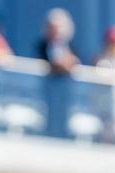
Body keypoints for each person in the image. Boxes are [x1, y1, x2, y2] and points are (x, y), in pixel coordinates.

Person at [36, 7, 78, 138]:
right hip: (46, 89)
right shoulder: (41, 45)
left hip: (64, 90)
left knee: (63, 113)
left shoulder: (70, 46)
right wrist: (58, 65)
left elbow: (75, 62)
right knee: (48, 114)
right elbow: (44, 62)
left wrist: (66, 64)